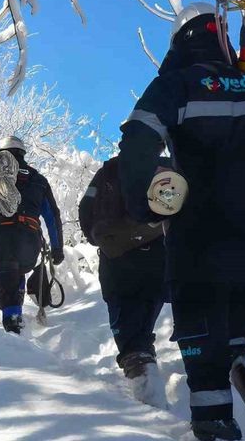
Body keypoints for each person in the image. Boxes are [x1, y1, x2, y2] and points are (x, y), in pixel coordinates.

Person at [117, 2, 245, 441]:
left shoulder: (175, 86)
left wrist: (147, 206)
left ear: (179, 43)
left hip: (198, 246)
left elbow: (136, 143)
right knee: (238, 342)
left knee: (204, 356)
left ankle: (216, 429)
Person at [78, 154, 168, 407]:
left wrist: (100, 238)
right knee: (144, 326)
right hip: (159, 259)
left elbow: (86, 209)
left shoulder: (110, 170)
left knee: (129, 337)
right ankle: (149, 378)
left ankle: (150, 403)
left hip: (117, 261)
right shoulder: (166, 167)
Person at [0, 136, 65, 334]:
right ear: (23, 152)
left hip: (1, 238)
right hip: (30, 240)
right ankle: (16, 314)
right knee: (16, 272)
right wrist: (57, 248)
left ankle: (13, 325)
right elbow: (53, 216)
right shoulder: (38, 179)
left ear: (0, 152)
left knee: (3, 274)